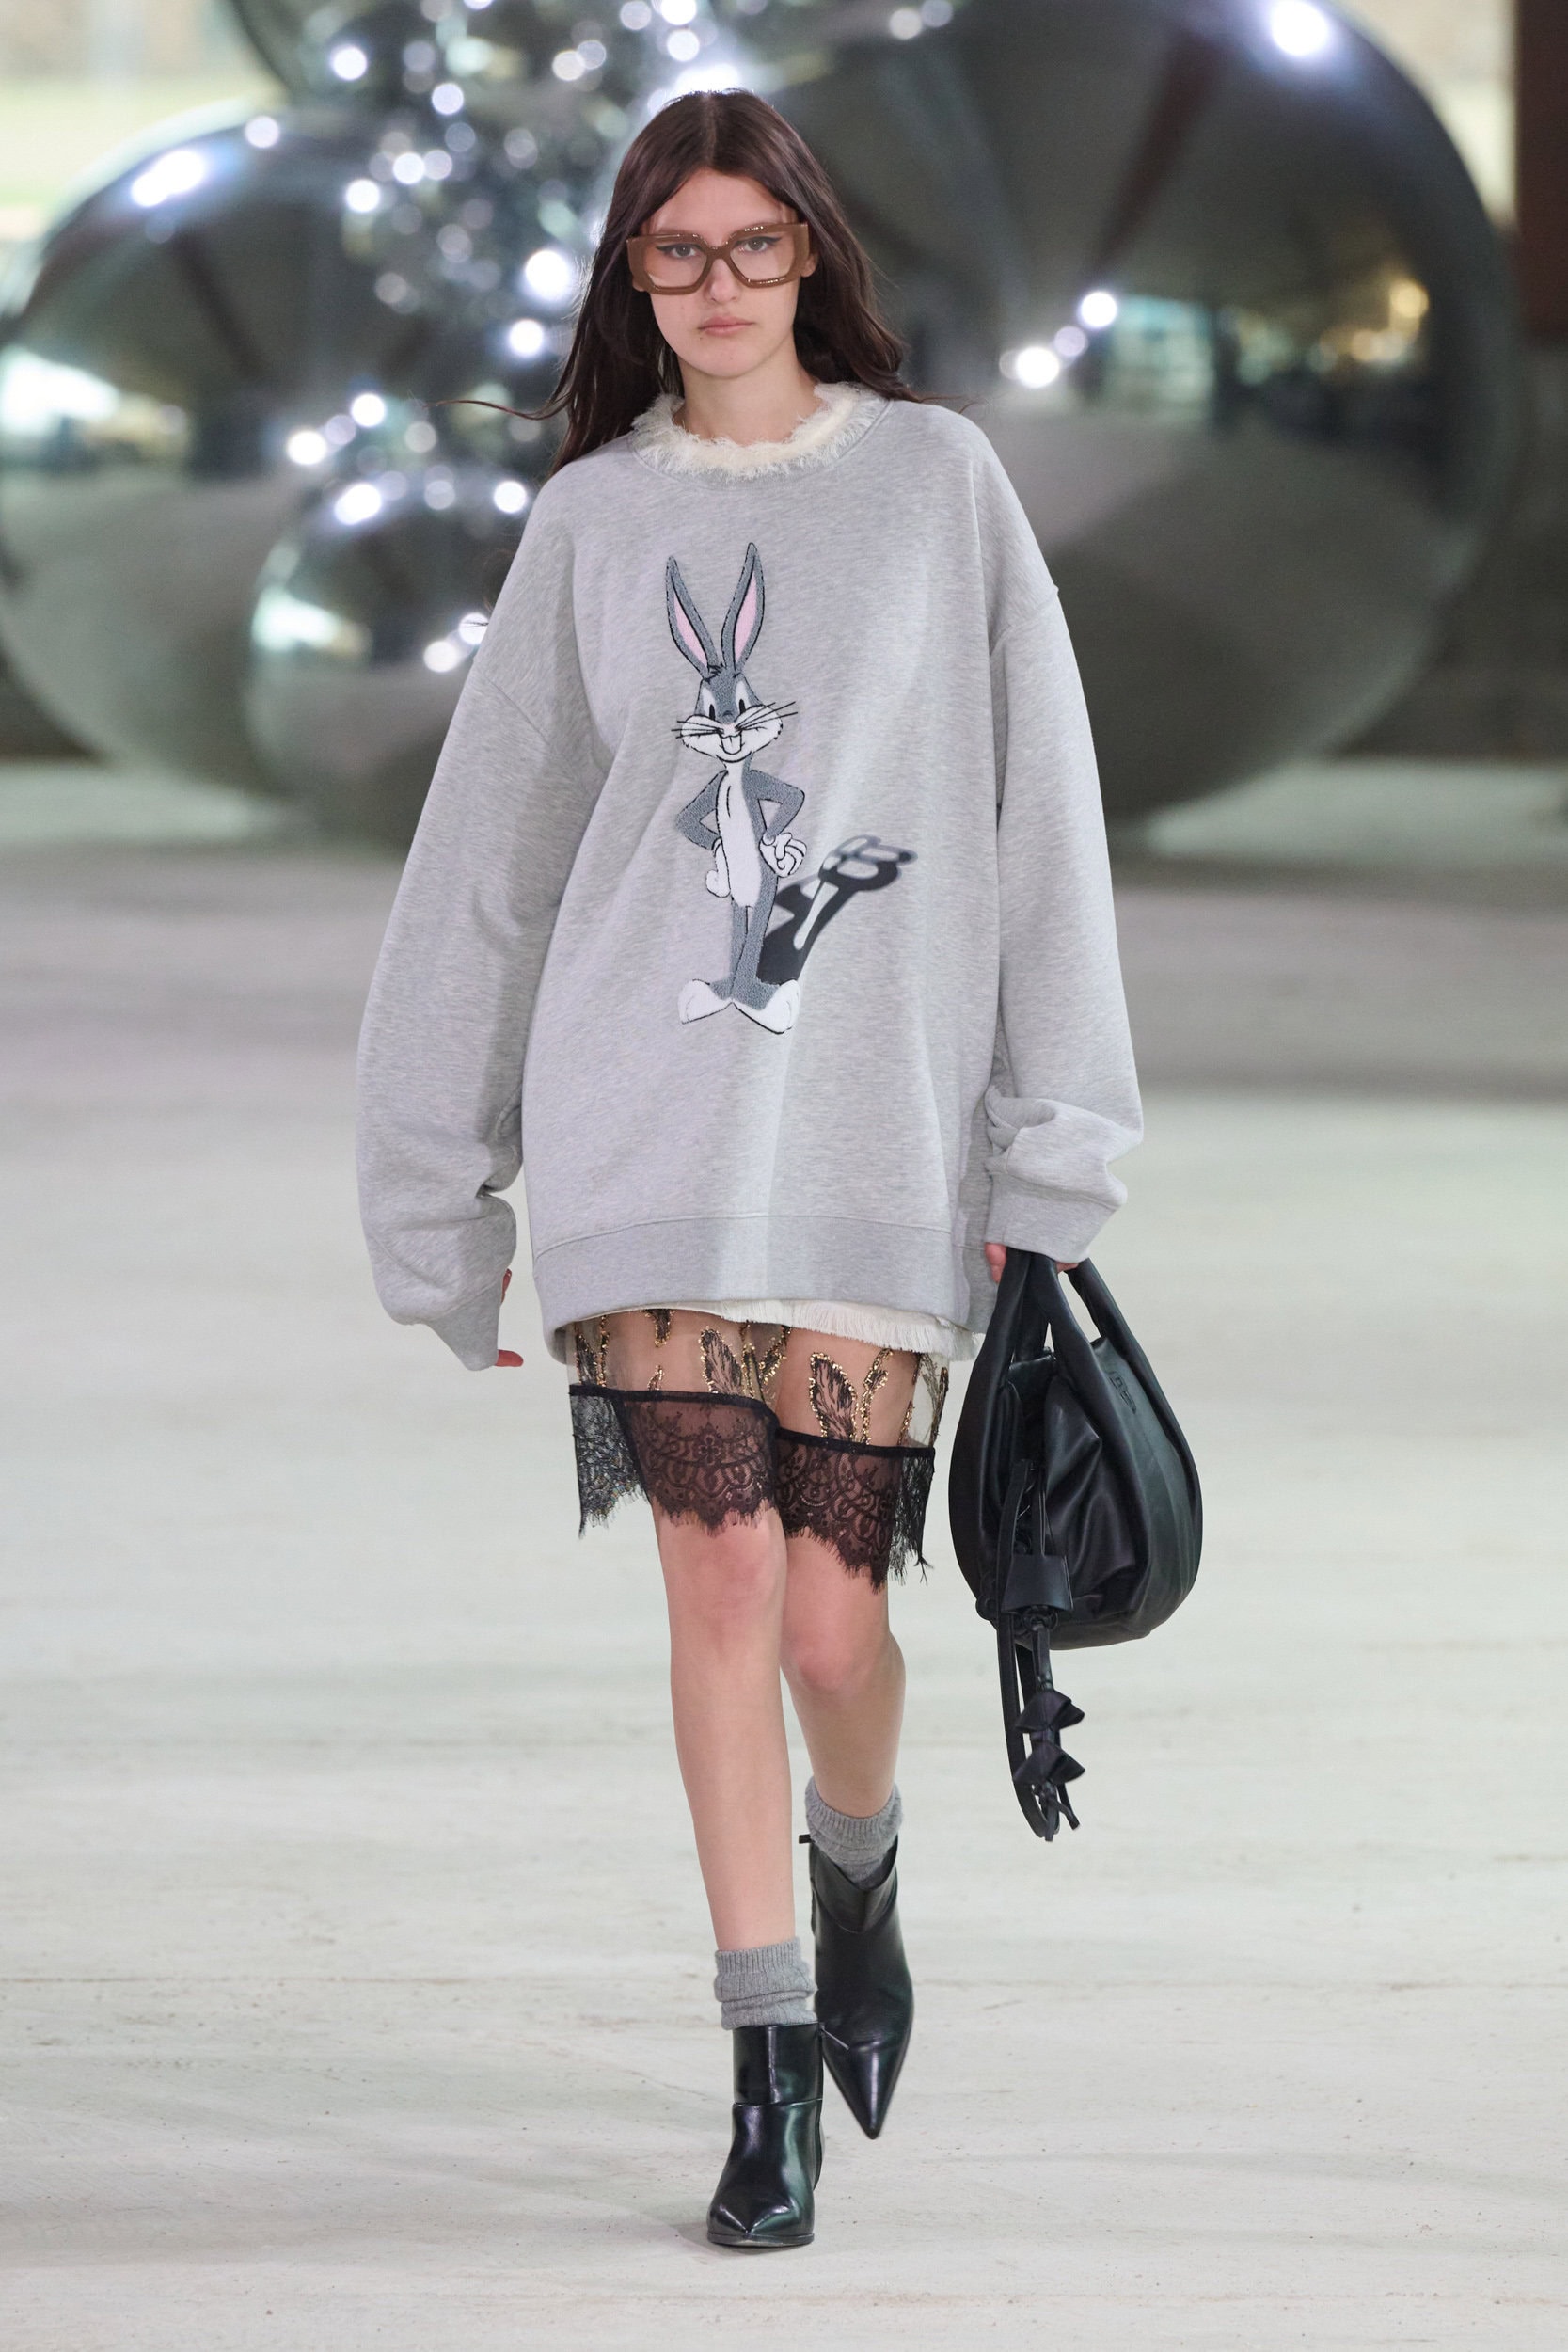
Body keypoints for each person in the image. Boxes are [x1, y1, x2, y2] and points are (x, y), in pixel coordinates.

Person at [356, 87, 1141, 2250]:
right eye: (677, 249)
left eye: (754, 244)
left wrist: (1055, 1144)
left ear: (814, 256)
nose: (718, 284)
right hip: (643, 1123)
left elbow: (1043, 817)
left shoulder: (937, 486)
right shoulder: (592, 523)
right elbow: (492, 872)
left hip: (877, 1127)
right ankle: (766, 2058)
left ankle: (857, 1864)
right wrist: (438, 1197)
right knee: (716, 1583)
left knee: (827, 1618)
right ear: (634, 272)